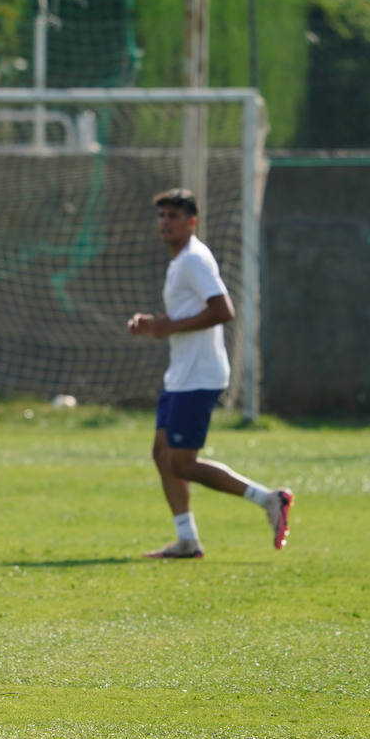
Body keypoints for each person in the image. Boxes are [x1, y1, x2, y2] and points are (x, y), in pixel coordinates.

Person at [126, 188, 293, 559]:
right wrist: (156, 324)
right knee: (161, 453)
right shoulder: (180, 260)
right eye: (162, 216)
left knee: (182, 462)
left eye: (173, 216)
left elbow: (223, 310)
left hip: (200, 375)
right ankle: (186, 540)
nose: (165, 222)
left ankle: (269, 499)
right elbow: (189, 314)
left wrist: (166, 327)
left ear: (192, 221)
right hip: (181, 374)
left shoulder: (195, 259)